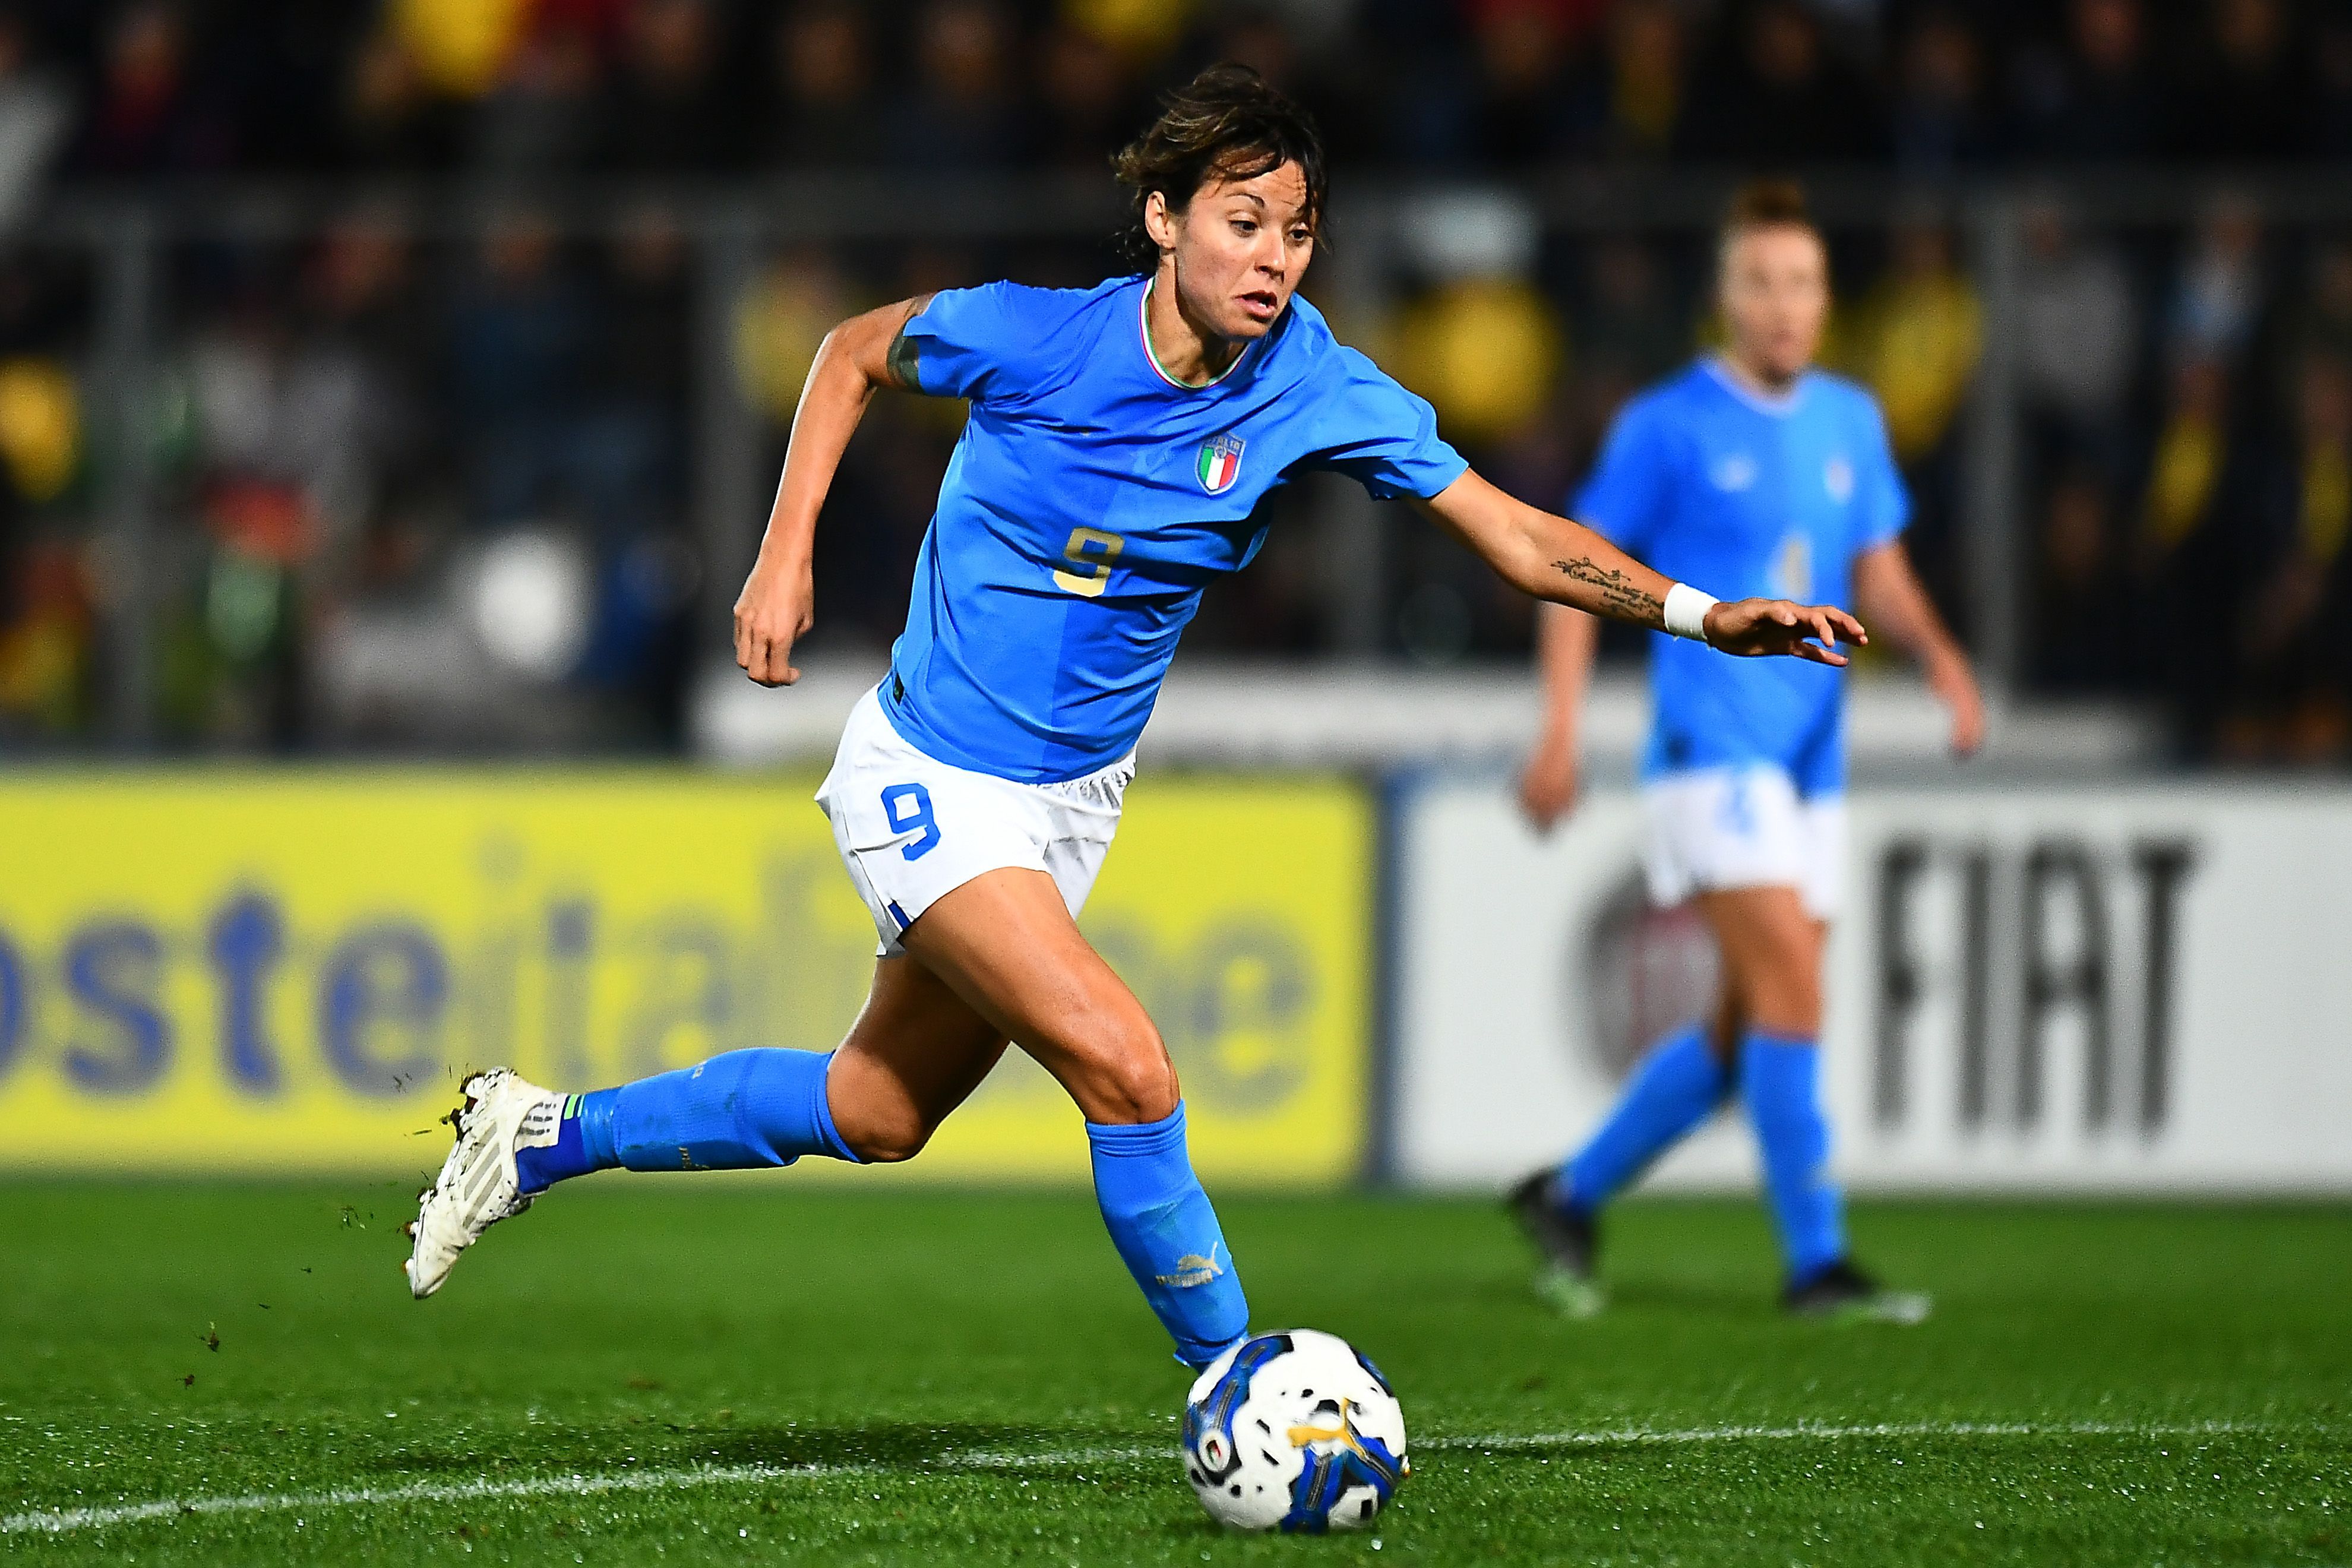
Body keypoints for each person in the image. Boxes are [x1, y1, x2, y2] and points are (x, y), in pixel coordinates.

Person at [404, 68, 1863, 1372]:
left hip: (1071, 802)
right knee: (1130, 1065)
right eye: (1244, 223)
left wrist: (1698, 612)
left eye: (1296, 233)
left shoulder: (1315, 388)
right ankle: (1245, 1385)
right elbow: (850, 349)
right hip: (928, 773)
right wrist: (783, 553)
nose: (1274, 261)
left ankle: (541, 1135)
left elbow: (1512, 534)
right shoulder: (1036, 343)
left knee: (876, 1109)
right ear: (1165, 221)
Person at [1510, 179, 1984, 1322]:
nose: (1784, 305)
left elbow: (1877, 571)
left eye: (1804, 282)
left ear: (1827, 299)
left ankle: (1569, 1196)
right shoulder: (1665, 425)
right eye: (1761, 282)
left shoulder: (1850, 422)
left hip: (1813, 755)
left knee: (1742, 1030)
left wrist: (1944, 661)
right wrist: (1562, 728)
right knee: (1793, 990)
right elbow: (1575, 570)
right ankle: (1815, 1263)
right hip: (1709, 746)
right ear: (1724, 297)